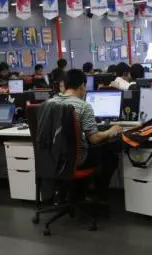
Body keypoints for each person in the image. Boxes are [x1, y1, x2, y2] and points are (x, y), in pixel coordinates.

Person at [53, 68, 123, 201]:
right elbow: (94, 139)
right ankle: (99, 197)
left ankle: (75, 194)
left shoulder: (50, 103)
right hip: (77, 160)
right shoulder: (83, 106)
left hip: (53, 158)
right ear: (82, 86)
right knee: (110, 155)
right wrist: (110, 131)